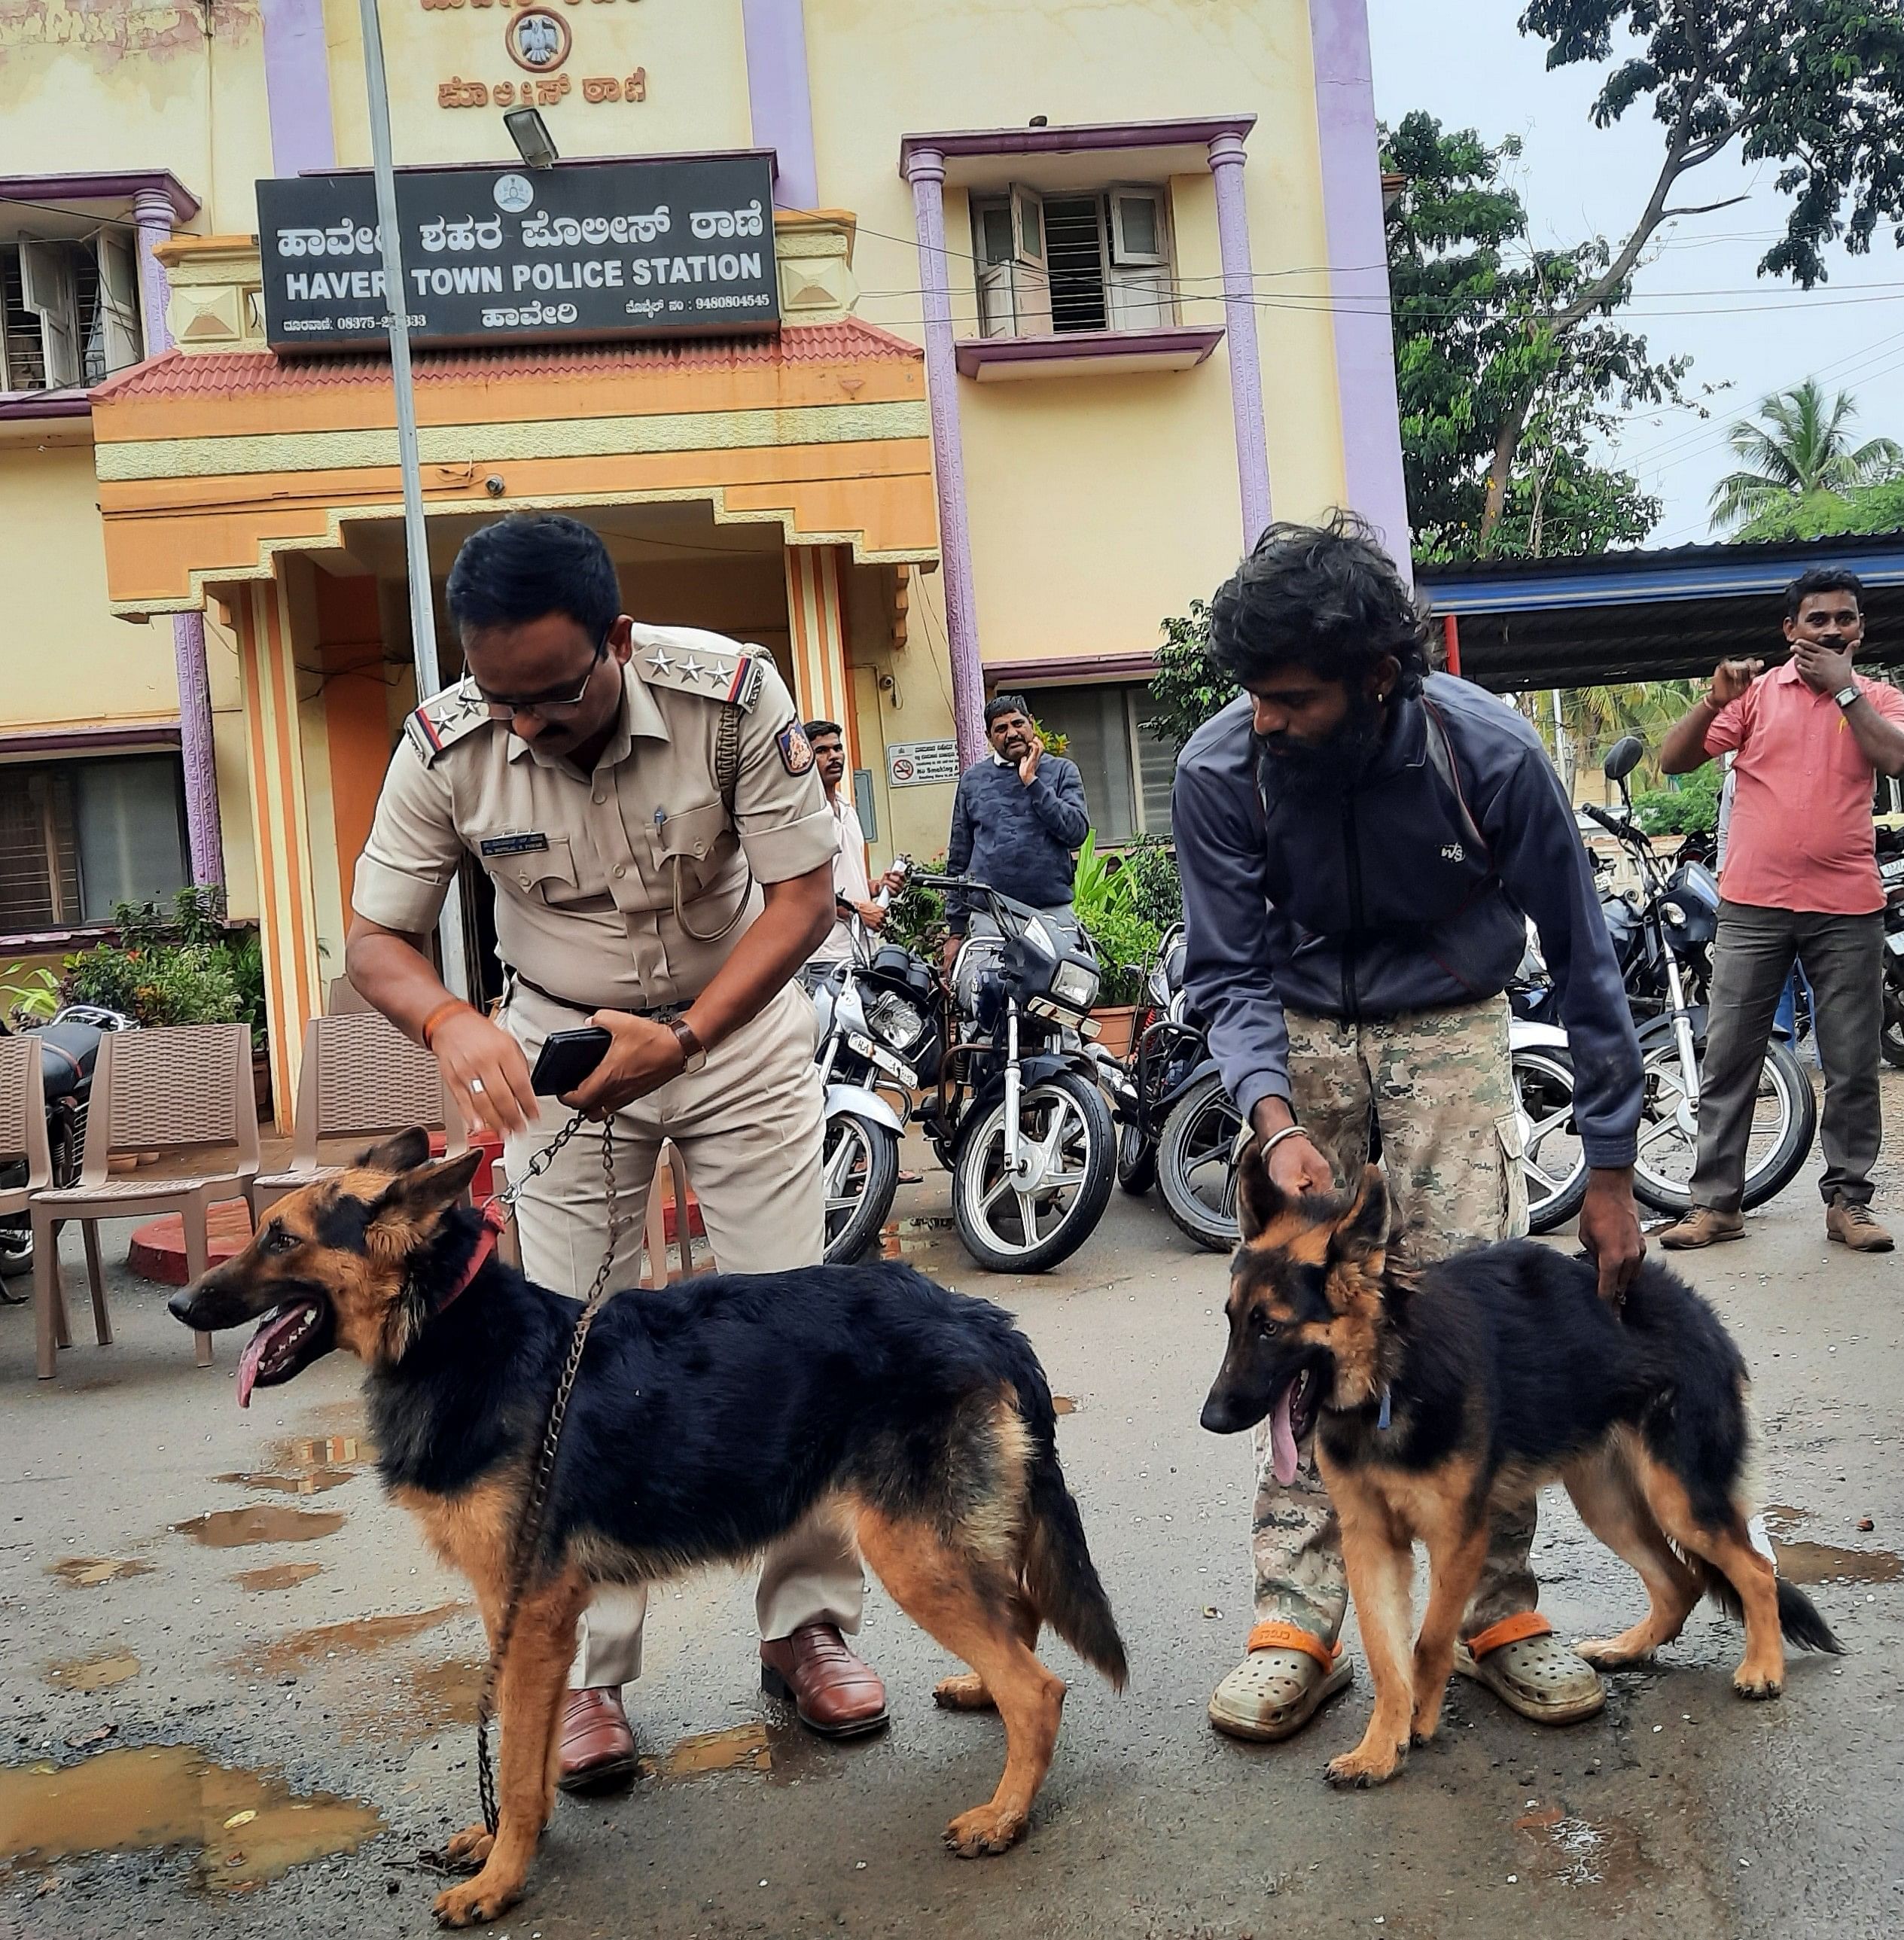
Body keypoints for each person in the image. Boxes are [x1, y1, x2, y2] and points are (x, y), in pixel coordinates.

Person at [344, 514, 888, 1795]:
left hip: (735, 1030)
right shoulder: (446, 741)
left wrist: (689, 1034)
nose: (528, 724)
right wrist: (448, 1014)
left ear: (620, 641)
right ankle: (584, 1673)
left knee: (785, 1335)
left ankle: (804, 1622)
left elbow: (803, 897)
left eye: (556, 691)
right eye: (504, 697)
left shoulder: (735, 692)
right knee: (561, 1358)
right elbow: (374, 936)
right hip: (560, 1059)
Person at [1172, 513, 1646, 1749]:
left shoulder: (1483, 755)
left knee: (1461, 1332)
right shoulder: (1221, 768)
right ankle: (1293, 1624)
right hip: (1294, 1039)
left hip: (1448, 1024)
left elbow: (1588, 969)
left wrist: (1606, 1175)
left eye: (1287, 696)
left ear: (1374, 675)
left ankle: (1493, 1612)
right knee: (1291, 1335)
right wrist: (1268, 1118)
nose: (1261, 719)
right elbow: (1222, 974)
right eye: (1251, 695)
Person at [1654, 566, 1904, 1254]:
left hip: (1847, 908)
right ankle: (1716, 1205)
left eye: (1843, 619)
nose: (1830, 629)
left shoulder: (1877, 697)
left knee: (1853, 1060)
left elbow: (1894, 756)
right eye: (1815, 619)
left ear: (1860, 629)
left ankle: (1848, 1202)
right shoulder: (1754, 695)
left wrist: (1843, 688)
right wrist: (1712, 701)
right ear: (1788, 629)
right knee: (1730, 1054)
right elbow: (1673, 761)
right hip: (1752, 907)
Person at [942, 694, 1090, 978]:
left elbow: (1075, 832)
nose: (1011, 733)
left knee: (1059, 1006)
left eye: (1017, 723)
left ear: (1031, 724)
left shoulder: (1061, 772)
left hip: (1052, 914)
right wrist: (956, 931)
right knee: (987, 1004)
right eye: (1000, 729)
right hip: (990, 919)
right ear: (989, 737)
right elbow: (959, 858)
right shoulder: (973, 782)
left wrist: (1032, 782)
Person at [805, 719, 900, 968]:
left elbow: (846, 879)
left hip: (862, 950)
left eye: (837, 748)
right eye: (822, 751)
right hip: (824, 955)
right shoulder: (802, 817)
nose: (834, 756)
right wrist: (859, 910)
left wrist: (879, 886)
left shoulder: (848, 809)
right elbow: (806, 894)